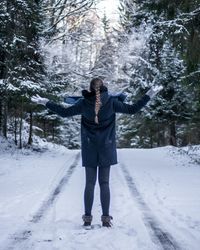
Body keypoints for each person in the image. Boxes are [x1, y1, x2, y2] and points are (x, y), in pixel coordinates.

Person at [31, 78, 163, 228]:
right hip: (107, 147)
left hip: (89, 147)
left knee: (89, 183)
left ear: (90, 89)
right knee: (104, 183)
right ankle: (106, 220)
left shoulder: (83, 103)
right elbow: (132, 109)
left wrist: (45, 102)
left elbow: (63, 112)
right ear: (104, 87)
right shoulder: (112, 102)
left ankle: (87, 219)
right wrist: (149, 95)